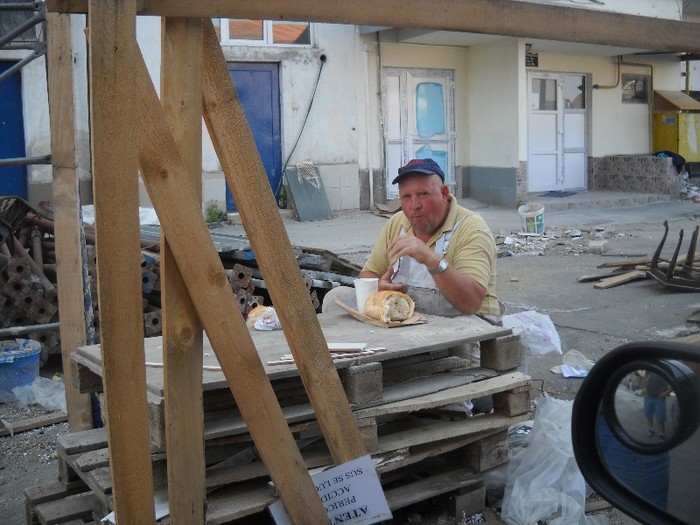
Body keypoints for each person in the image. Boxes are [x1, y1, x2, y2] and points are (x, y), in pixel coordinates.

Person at [358, 157, 500, 321]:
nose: (414, 205)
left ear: (444, 193)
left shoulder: (471, 227)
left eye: (423, 194)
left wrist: (431, 260)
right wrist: (379, 287)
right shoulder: (397, 223)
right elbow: (367, 274)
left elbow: (471, 303)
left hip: (471, 322)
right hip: (414, 319)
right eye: (406, 197)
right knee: (336, 296)